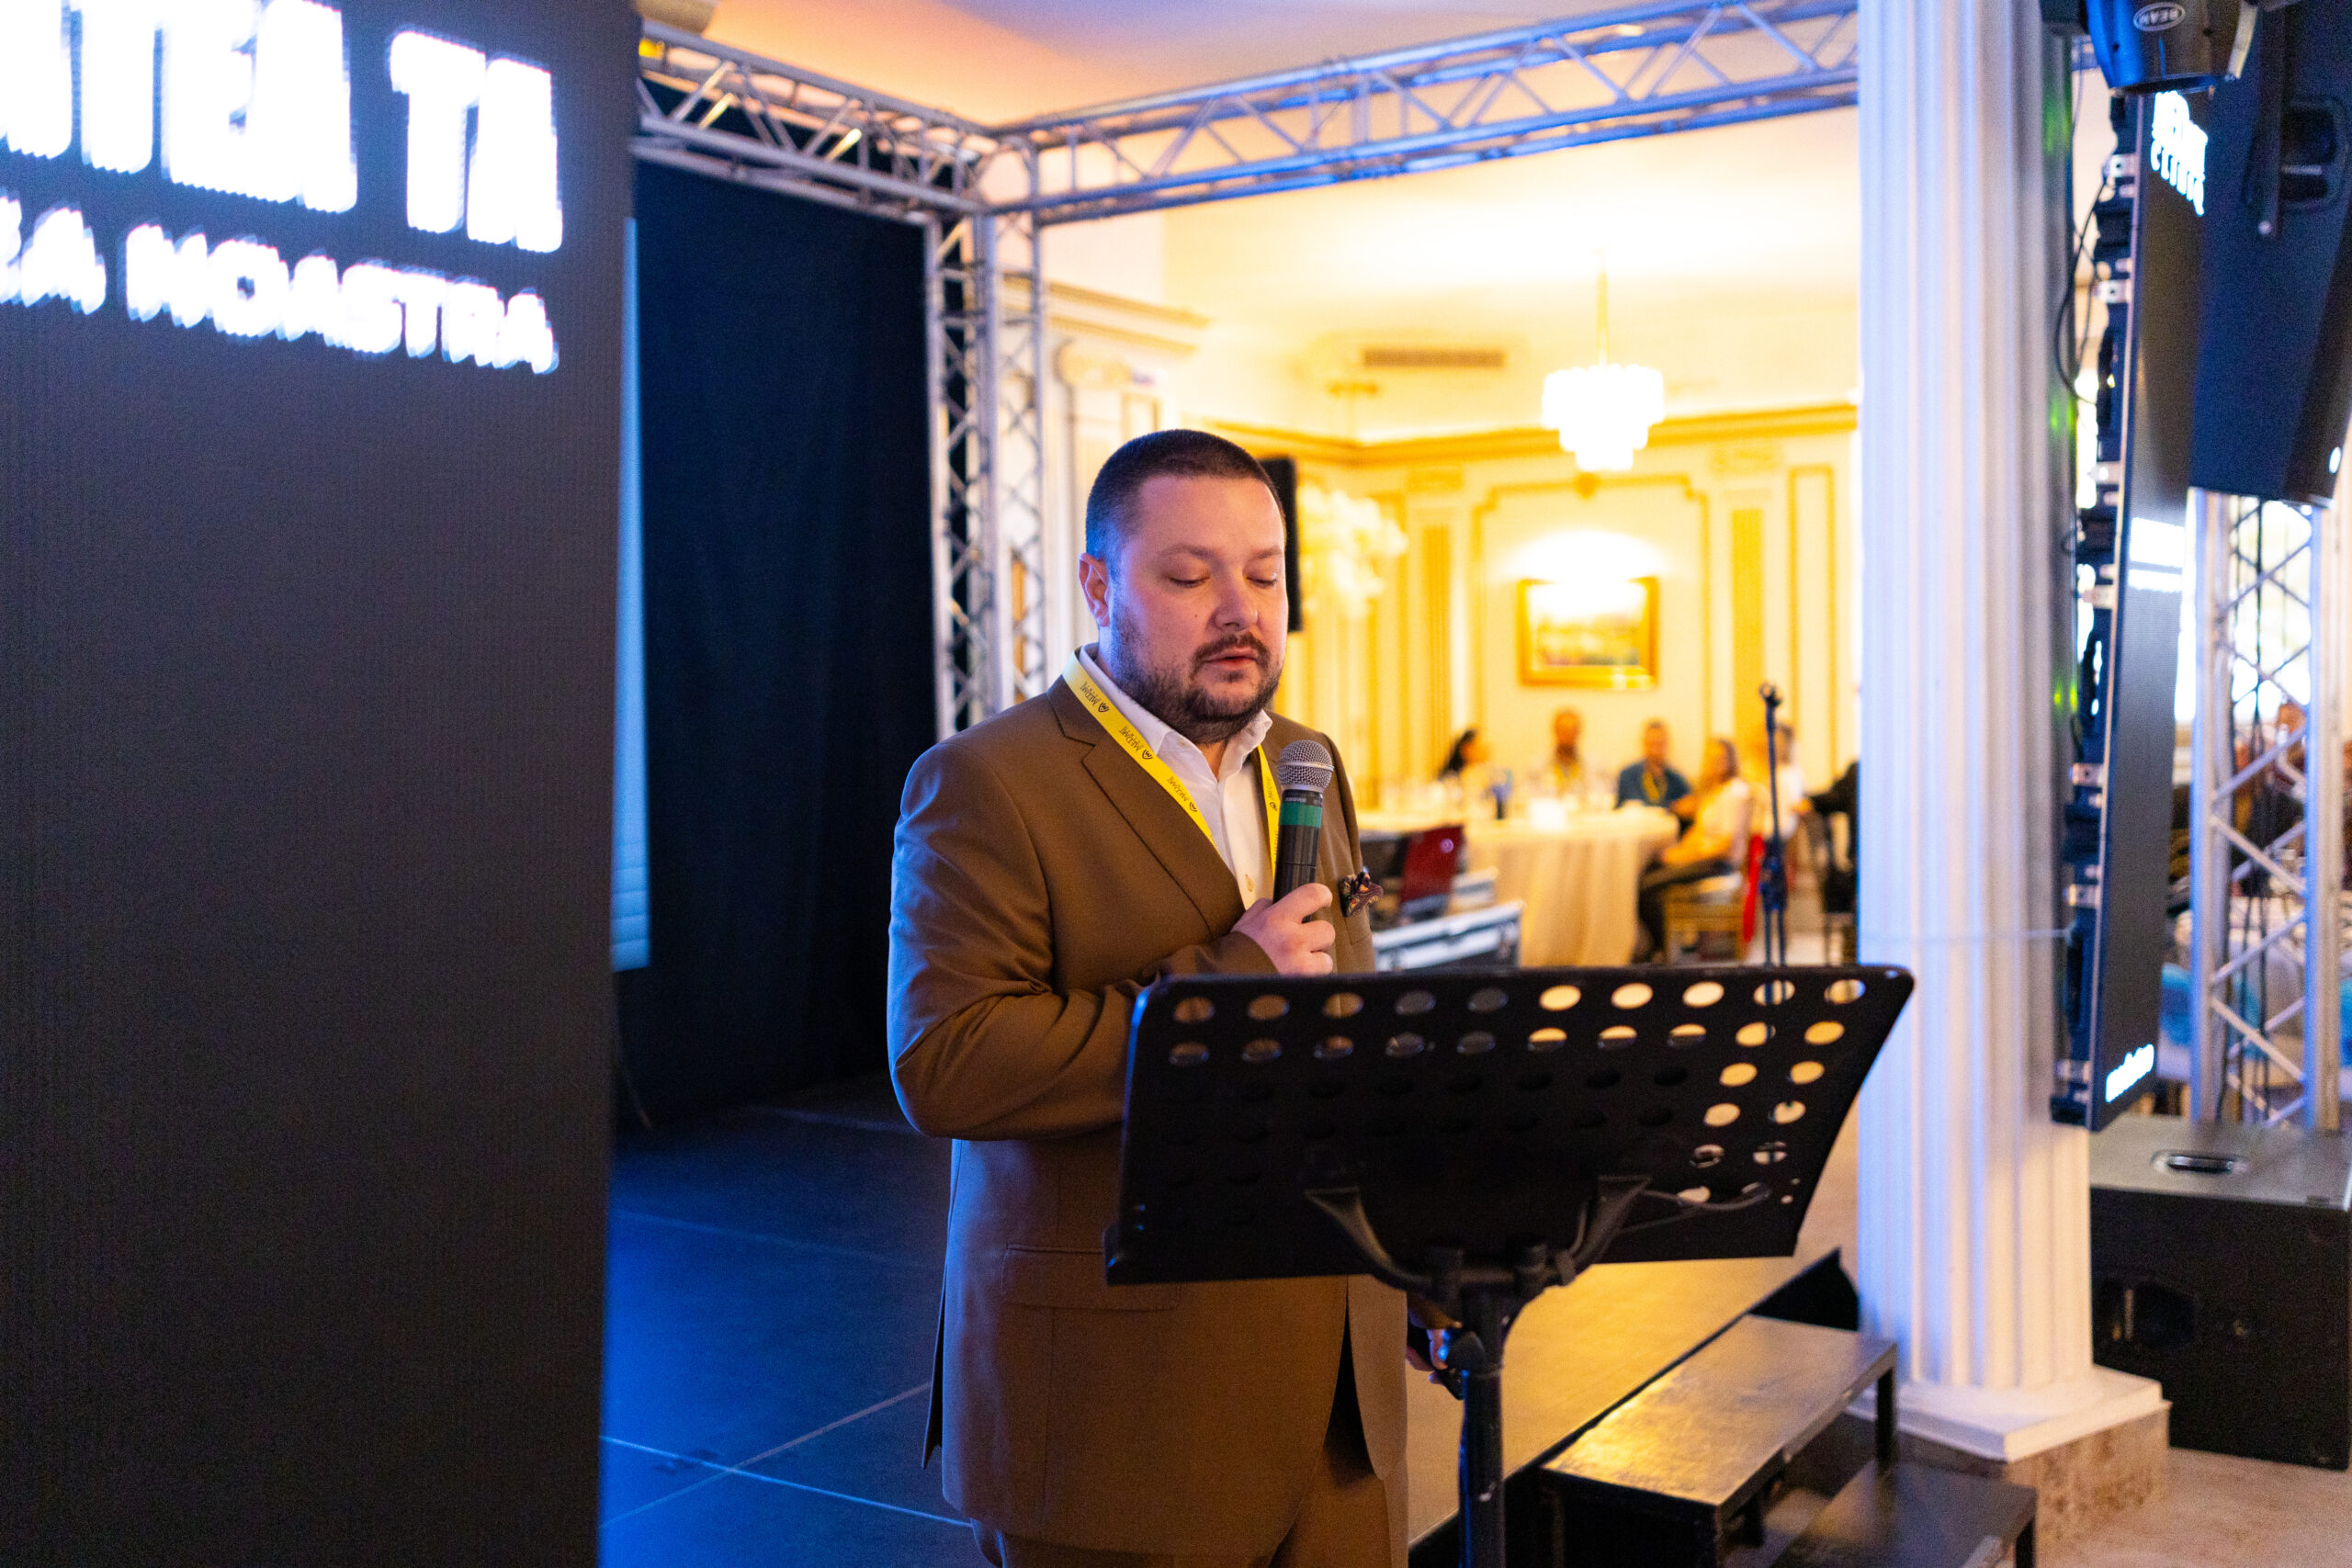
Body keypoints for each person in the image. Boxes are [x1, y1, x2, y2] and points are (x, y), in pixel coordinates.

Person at [888, 429, 1408, 1568]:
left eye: (1264, 575)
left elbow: (1340, 1034)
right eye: (1188, 576)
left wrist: (1408, 1251)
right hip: (1116, 1411)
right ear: (1098, 585)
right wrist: (1228, 986)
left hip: (1338, 1403)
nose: (1240, 611)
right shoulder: (985, 782)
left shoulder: (1307, 761)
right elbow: (947, 1062)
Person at [1636, 737, 1753, 959]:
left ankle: (1661, 947)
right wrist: (1678, 852)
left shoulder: (1735, 793)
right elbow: (1700, 830)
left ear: (1731, 761)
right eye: (1710, 759)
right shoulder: (1714, 791)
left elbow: (1725, 845)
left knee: (1647, 886)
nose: (1714, 764)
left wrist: (1685, 856)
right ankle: (1665, 944)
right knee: (1649, 868)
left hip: (1718, 863)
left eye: (1720, 759)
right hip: (1703, 856)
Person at [1616, 718, 1691, 810]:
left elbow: (1688, 805)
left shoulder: (1677, 780)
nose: (1656, 749)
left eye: (1660, 743)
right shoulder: (1628, 776)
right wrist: (1672, 807)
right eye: (1652, 743)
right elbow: (1619, 809)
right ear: (1644, 743)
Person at [1533, 706, 1587, 796]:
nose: (1568, 735)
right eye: (1564, 730)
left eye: (1573, 730)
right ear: (1555, 731)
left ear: (1579, 732)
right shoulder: (1537, 766)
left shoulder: (1594, 767)